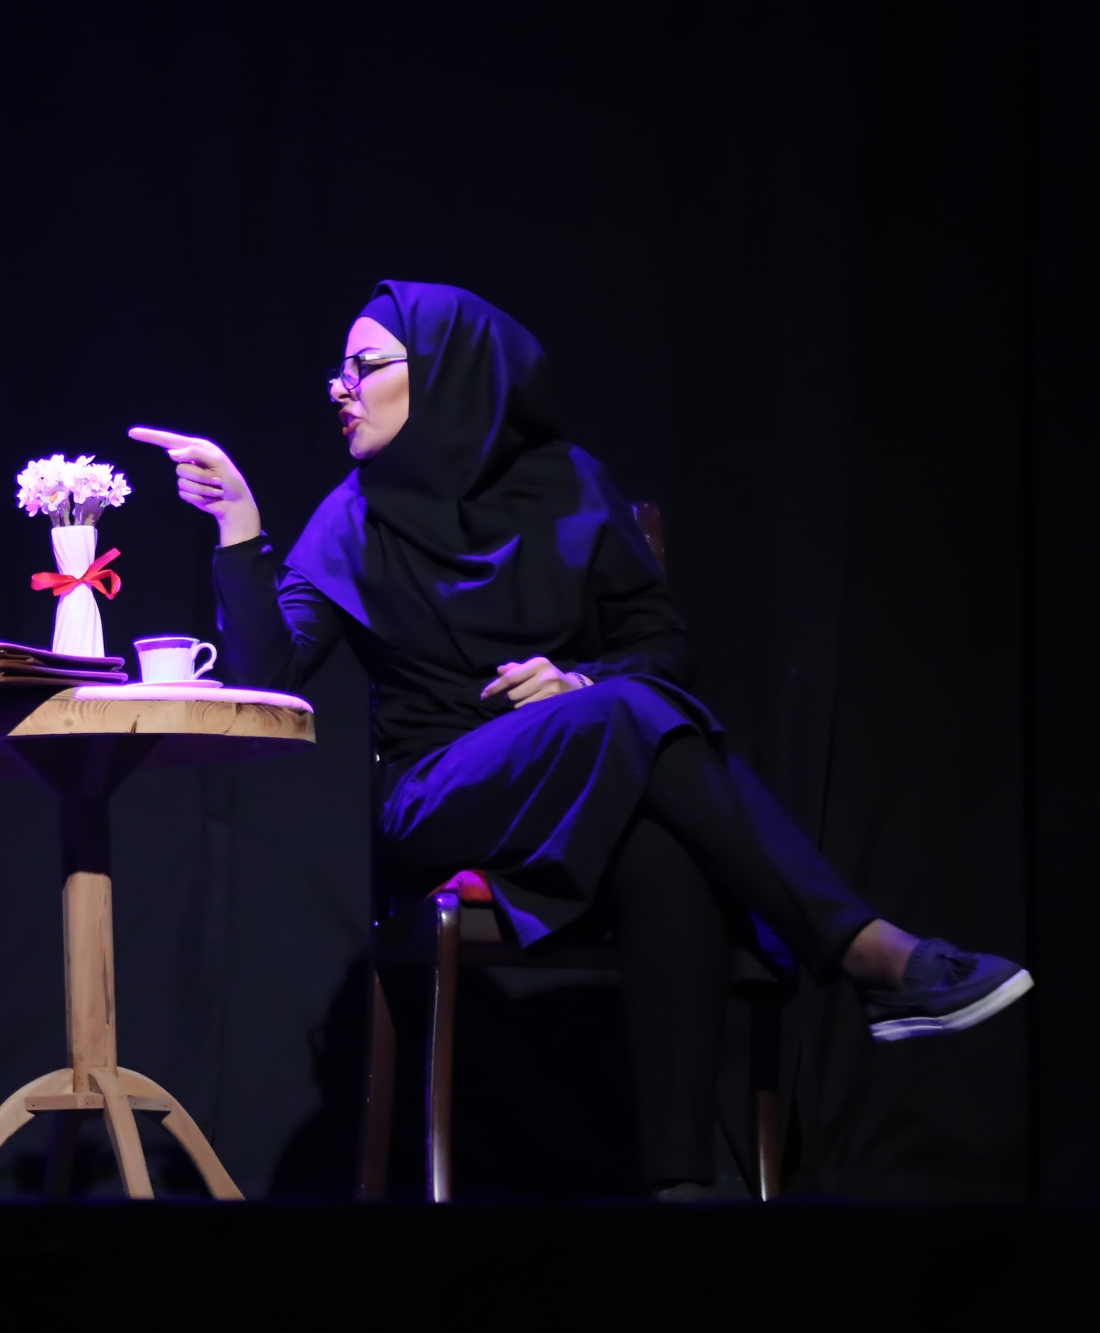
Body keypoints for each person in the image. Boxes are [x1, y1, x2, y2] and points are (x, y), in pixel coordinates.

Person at [130, 280, 1033, 1196]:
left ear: (448, 374)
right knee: (627, 714)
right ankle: (863, 948)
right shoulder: (352, 516)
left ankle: (679, 1185)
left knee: (666, 852)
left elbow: (662, 645)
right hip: (439, 795)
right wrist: (238, 525)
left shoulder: (570, 486)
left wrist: (581, 682)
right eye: (341, 370)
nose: (339, 386)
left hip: (588, 774)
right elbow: (273, 675)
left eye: (363, 366)